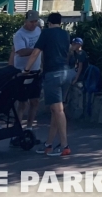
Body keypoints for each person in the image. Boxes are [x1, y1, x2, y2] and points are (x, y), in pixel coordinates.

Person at [24, 11, 72, 157]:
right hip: (66, 73)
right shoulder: (66, 34)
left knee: (58, 111)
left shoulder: (45, 34)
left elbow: (35, 53)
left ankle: (64, 146)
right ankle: (49, 145)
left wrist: (26, 69)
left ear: (49, 22)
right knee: (54, 111)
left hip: (53, 74)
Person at [10, 10, 43, 139]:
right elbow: (21, 51)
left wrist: (42, 65)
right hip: (23, 71)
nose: (33, 24)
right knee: (22, 102)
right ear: (25, 21)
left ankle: (29, 128)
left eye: (35, 21)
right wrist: (36, 50)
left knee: (34, 101)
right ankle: (17, 129)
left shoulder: (39, 31)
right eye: (31, 22)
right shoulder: (19, 34)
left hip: (36, 71)